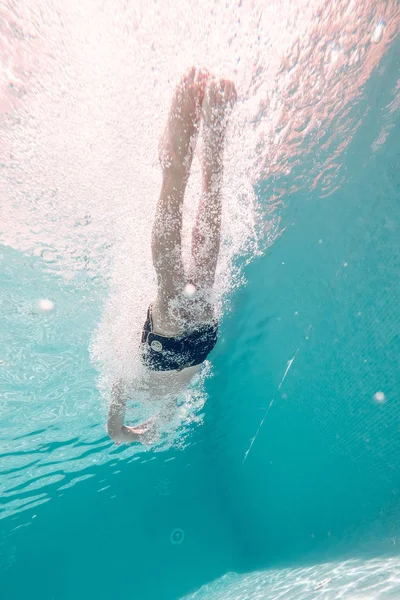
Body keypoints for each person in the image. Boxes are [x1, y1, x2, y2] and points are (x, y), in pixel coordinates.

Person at [107, 67, 237, 445]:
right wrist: (126, 432)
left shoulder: (167, 403)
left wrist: (142, 433)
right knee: (168, 276)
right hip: (165, 348)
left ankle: (213, 150)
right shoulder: (129, 381)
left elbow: (128, 432)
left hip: (201, 344)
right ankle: (175, 168)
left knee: (204, 266)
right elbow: (113, 432)